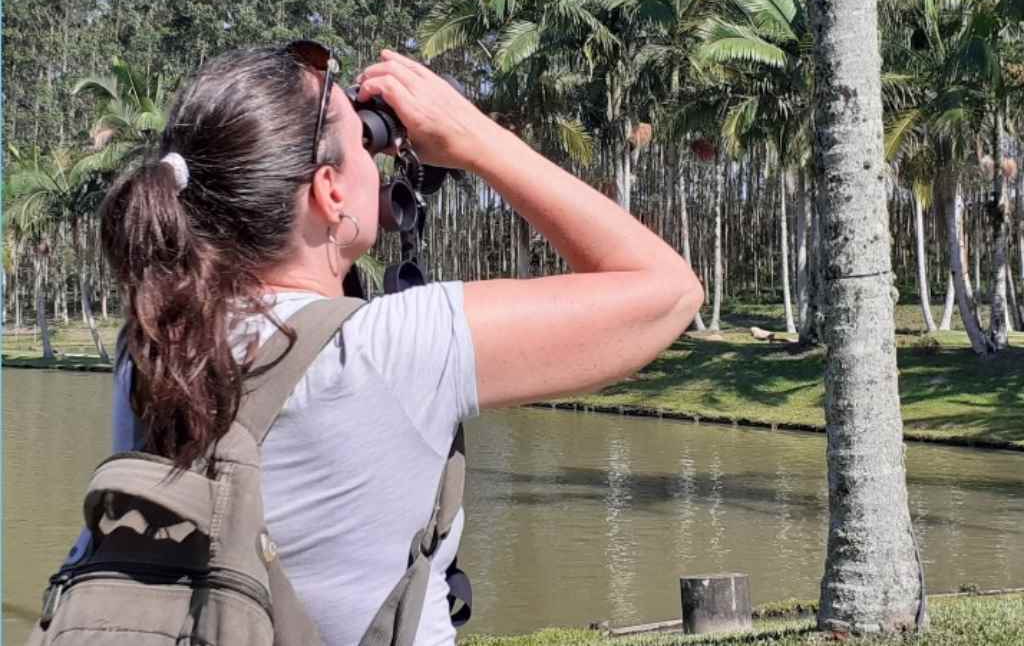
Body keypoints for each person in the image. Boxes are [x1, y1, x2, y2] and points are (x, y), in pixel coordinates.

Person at [89, 44, 703, 645]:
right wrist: (476, 137)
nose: (377, 156)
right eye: (364, 143)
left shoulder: (151, 348)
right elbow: (670, 292)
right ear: (329, 191)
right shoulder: (386, 351)